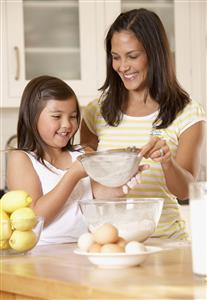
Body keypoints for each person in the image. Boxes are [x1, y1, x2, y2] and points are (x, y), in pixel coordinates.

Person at [80, 9, 206, 240]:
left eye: (132, 56)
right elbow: (85, 181)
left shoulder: (187, 112)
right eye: (116, 57)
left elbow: (186, 191)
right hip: (109, 242)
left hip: (167, 241)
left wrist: (167, 161)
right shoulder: (95, 112)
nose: (122, 66)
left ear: (154, 54)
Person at [6, 75, 144, 245]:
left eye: (73, 116)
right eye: (57, 116)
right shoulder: (21, 159)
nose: (67, 124)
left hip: (85, 248)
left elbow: (97, 194)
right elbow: (33, 218)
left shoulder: (83, 152)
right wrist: (73, 175)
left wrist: (124, 180)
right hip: (43, 253)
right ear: (32, 117)